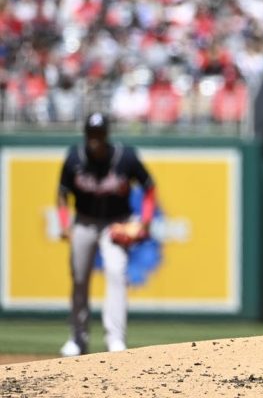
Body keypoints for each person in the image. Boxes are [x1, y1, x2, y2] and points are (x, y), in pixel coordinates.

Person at [57, 112, 157, 356]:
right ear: (86, 134)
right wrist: (64, 223)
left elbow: (149, 187)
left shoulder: (125, 157)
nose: (95, 139)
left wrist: (145, 221)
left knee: (116, 273)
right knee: (79, 278)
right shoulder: (74, 157)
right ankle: (77, 339)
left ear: (106, 134)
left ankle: (115, 340)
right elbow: (62, 194)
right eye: (92, 134)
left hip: (116, 223)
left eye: (99, 134)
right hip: (84, 222)